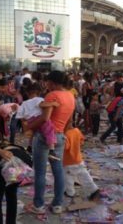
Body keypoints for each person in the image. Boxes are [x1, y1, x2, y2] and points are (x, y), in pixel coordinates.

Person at [27, 71, 75, 215]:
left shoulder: (52, 95)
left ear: (52, 82)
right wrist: (63, 134)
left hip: (44, 137)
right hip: (59, 136)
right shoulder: (70, 95)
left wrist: (29, 127)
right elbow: (69, 120)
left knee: (40, 172)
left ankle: (39, 205)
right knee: (58, 170)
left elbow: (45, 118)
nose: (46, 84)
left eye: (47, 82)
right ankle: (57, 204)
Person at [16, 82, 60, 160]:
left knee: (33, 134)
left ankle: (29, 147)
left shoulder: (24, 103)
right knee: (50, 131)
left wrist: (26, 125)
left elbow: (20, 116)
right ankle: (51, 150)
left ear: (27, 93)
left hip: (30, 121)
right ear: (38, 92)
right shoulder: (38, 99)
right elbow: (42, 105)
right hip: (38, 119)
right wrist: (53, 103)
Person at [63, 123, 100, 200]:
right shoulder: (76, 130)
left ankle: (70, 192)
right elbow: (81, 141)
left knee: (68, 177)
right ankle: (94, 189)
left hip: (68, 161)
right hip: (78, 158)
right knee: (84, 175)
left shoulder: (65, 134)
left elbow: (65, 147)